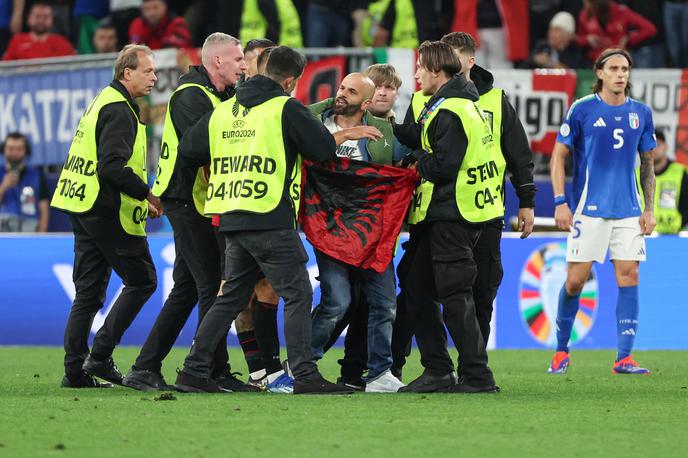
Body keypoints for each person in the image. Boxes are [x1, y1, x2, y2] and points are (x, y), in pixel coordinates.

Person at [173, 46, 352, 394]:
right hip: (268, 217)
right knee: (298, 293)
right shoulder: (284, 108)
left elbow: (189, 149)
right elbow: (324, 151)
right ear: (290, 80)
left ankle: (194, 370)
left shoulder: (225, 110)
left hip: (230, 217)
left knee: (229, 298)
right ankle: (305, 375)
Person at [122, 33, 257, 393]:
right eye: (238, 59)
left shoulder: (218, 95)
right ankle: (209, 371)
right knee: (210, 286)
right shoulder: (190, 96)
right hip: (185, 200)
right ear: (217, 62)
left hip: (199, 201)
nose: (244, 66)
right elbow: (203, 149)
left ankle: (145, 367)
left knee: (186, 289)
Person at [52, 44, 162, 388]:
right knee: (143, 281)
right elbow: (112, 167)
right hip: (106, 210)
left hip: (82, 205)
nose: (155, 77)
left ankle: (75, 372)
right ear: (126, 73)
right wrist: (147, 193)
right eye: (148, 71)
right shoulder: (119, 109)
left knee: (87, 294)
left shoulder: (103, 100)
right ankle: (99, 356)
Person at [394, 40, 500, 393]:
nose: (416, 74)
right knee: (414, 285)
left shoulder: (450, 110)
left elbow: (442, 166)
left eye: (421, 68)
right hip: (459, 212)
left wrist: (415, 160)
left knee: (455, 295)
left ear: (437, 72)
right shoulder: (461, 103)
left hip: (451, 214)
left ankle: (477, 376)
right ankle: (438, 369)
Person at [548, 48, 657, 375]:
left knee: (629, 275)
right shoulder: (581, 110)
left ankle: (624, 357)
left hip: (628, 209)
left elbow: (648, 165)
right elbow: (558, 157)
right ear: (599, 73)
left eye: (625, 69)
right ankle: (560, 352)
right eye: (614, 68)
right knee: (574, 282)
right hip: (588, 209)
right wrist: (559, 202)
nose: (620, 74)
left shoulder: (641, 113)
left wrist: (648, 209)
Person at [308, 72, 405, 393]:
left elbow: (398, 170)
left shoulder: (384, 132)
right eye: (341, 88)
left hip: (371, 233)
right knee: (337, 303)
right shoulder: (313, 123)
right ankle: (301, 365)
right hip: (329, 231)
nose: (341, 94)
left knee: (385, 304)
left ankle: (379, 374)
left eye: (350, 92)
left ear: (365, 103)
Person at [639, 128, 688, 234]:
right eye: (650, 146)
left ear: (666, 147)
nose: (654, 149)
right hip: (642, 233)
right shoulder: (636, 174)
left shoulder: (680, 172)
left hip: (672, 236)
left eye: (658, 144)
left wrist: (679, 224)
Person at [576, 0, 656, 62]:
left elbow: (650, 29)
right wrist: (587, 39)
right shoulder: (584, 15)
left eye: (587, 2)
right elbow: (579, 39)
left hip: (618, 60)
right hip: (595, 62)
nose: (585, 5)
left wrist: (629, 38)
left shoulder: (620, 12)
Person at [0, 132, 50, 232]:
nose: (14, 152)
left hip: (29, 230)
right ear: (4, 150)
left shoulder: (37, 175)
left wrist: (41, 237)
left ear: (26, 151)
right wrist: (3, 187)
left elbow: (44, 210)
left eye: (19, 149)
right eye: (10, 148)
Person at [2, 1, 75, 60]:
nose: (41, 20)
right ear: (28, 18)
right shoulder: (17, 41)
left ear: (52, 20)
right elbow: (5, 69)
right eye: (37, 16)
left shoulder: (61, 42)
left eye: (45, 17)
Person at [522, 11, 587, 69]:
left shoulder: (575, 53)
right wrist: (534, 60)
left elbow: (581, 73)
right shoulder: (542, 47)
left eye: (556, 30)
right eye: (550, 29)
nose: (551, 33)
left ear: (568, 35)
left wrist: (553, 65)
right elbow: (521, 69)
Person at [128, 0, 192, 50]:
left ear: (164, 6)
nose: (151, 13)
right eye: (147, 9)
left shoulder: (178, 23)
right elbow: (134, 49)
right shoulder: (137, 24)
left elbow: (180, 50)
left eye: (155, 7)